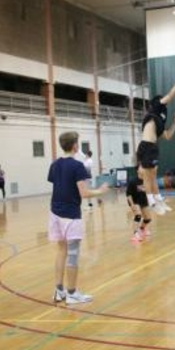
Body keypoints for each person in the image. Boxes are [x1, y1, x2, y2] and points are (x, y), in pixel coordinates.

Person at [48, 131, 109, 305]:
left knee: (61, 251)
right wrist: (100, 191)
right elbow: (84, 193)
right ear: (75, 145)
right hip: (70, 215)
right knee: (73, 253)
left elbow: (58, 185)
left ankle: (59, 291)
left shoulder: (54, 164)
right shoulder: (77, 166)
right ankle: (72, 293)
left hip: (55, 212)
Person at [137, 76, 175, 215]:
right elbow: (170, 95)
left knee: (153, 176)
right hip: (146, 146)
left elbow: (167, 136)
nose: (165, 102)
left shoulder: (159, 121)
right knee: (148, 177)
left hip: (152, 147)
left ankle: (158, 199)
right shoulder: (155, 109)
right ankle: (152, 202)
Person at [126, 171, 154, 243]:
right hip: (134, 201)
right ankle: (135, 235)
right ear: (138, 170)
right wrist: (132, 205)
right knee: (138, 215)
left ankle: (142, 229)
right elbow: (128, 194)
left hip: (143, 201)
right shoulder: (133, 181)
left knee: (148, 218)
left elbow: (149, 192)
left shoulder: (147, 180)